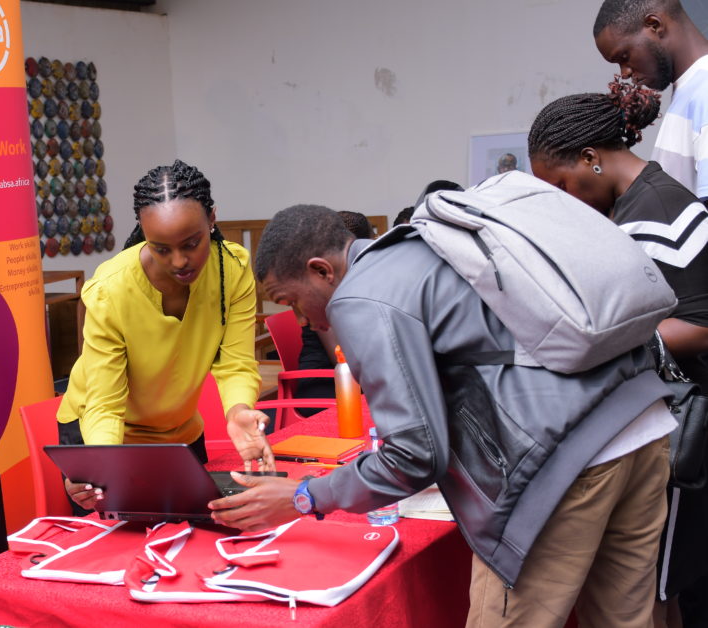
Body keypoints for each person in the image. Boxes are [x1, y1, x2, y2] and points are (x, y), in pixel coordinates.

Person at [209, 204, 674, 628]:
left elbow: (413, 455)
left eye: (291, 301)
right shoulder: (423, 244)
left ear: (322, 271)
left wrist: (305, 496)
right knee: (625, 618)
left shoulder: (359, 296)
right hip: (642, 421)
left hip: (565, 462)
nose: (303, 321)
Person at [528, 78, 708, 628]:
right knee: (654, 587)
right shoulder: (635, 204)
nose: (564, 199)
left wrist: (604, 343)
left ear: (591, 157)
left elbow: (702, 324)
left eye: (563, 183)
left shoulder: (656, 210)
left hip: (685, 424)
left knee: (656, 591)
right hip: (664, 417)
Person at [56, 160, 274, 512]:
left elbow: (235, 364)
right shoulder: (111, 290)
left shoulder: (231, 268)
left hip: (179, 429)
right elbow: (104, 404)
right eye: (161, 248)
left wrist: (237, 411)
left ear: (212, 219)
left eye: (192, 243)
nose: (179, 261)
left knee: (200, 534)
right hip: (105, 433)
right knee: (115, 546)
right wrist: (104, 464)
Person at [594, 0, 708, 199]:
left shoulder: (704, 90)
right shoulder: (689, 91)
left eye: (624, 56)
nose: (625, 73)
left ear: (655, 25)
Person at [294, 210, 374, 416]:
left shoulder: (360, 282)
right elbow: (343, 357)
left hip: (356, 378)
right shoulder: (320, 290)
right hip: (325, 385)